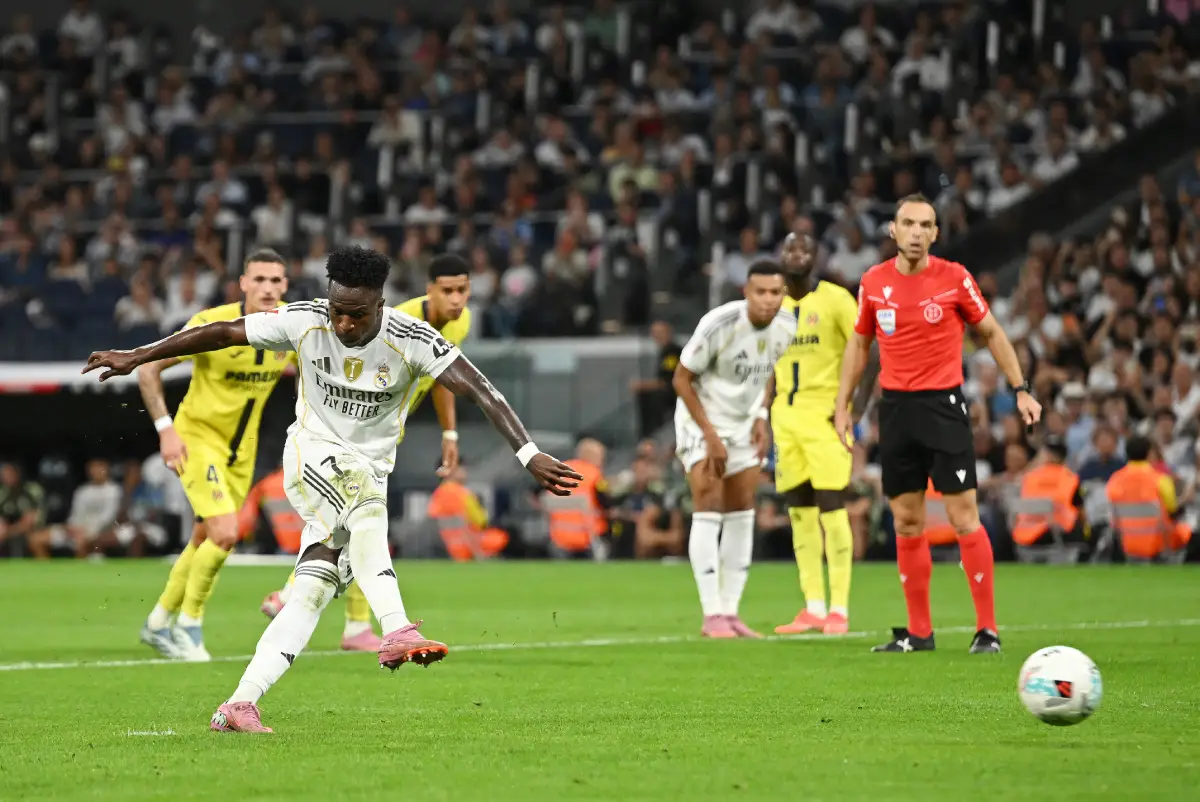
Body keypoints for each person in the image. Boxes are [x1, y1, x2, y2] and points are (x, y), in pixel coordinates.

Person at [83, 245, 581, 734]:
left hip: (368, 467)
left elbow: (479, 388)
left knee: (314, 591)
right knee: (365, 507)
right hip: (310, 455)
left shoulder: (411, 338)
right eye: (337, 310)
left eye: (356, 315)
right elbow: (221, 332)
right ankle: (397, 627)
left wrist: (527, 453)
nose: (343, 324)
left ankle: (239, 703)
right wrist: (138, 355)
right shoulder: (305, 319)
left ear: (380, 305)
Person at [135, 249, 384, 662]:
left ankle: (159, 621)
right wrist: (166, 431)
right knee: (225, 532)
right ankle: (188, 627)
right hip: (198, 439)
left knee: (206, 538)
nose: (268, 288)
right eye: (260, 280)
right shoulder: (211, 324)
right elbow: (148, 368)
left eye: (276, 281)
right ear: (243, 284)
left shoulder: (290, 324)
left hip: (241, 451)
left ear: (285, 286)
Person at [834, 194, 1042, 654]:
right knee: (907, 520)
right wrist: (844, 403)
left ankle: (986, 630)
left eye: (924, 225)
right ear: (893, 230)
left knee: (963, 516)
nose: (914, 232)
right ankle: (919, 633)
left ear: (934, 233)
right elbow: (859, 346)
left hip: (944, 408)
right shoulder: (873, 281)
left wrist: (1021, 387)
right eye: (906, 223)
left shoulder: (954, 278)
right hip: (896, 410)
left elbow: (991, 332)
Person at [259, 254, 472, 618]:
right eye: (447, 291)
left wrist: (449, 432)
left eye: (462, 290)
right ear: (429, 290)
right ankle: (312, 601)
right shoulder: (389, 321)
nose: (456, 300)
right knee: (361, 527)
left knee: (359, 529)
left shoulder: (460, 323)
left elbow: (440, 377)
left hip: (385, 436)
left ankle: (312, 601)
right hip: (348, 435)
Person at [673, 260, 794, 638]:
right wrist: (709, 434)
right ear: (747, 291)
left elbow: (770, 369)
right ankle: (711, 615)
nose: (769, 300)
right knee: (707, 504)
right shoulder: (720, 323)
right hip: (701, 422)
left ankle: (731, 611)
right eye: (761, 292)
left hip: (743, 425)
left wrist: (762, 414)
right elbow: (681, 379)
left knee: (742, 509)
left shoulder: (787, 325)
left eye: (776, 292)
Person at [767, 232, 878, 637]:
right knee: (799, 510)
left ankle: (840, 609)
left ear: (816, 259)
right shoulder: (773, 303)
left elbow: (869, 348)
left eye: (805, 250)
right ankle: (813, 605)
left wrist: (856, 408)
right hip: (785, 418)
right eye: (790, 247)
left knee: (833, 505)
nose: (796, 254)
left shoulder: (835, 299)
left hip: (827, 416)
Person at [1105, 435, 1192, 562]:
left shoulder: (1115, 480)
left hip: (1126, 542)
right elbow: (1171, 508)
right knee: (1187, 530)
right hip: (1158, 542)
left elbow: (1112, 511)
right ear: (1149, 453)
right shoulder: (1161, 480)